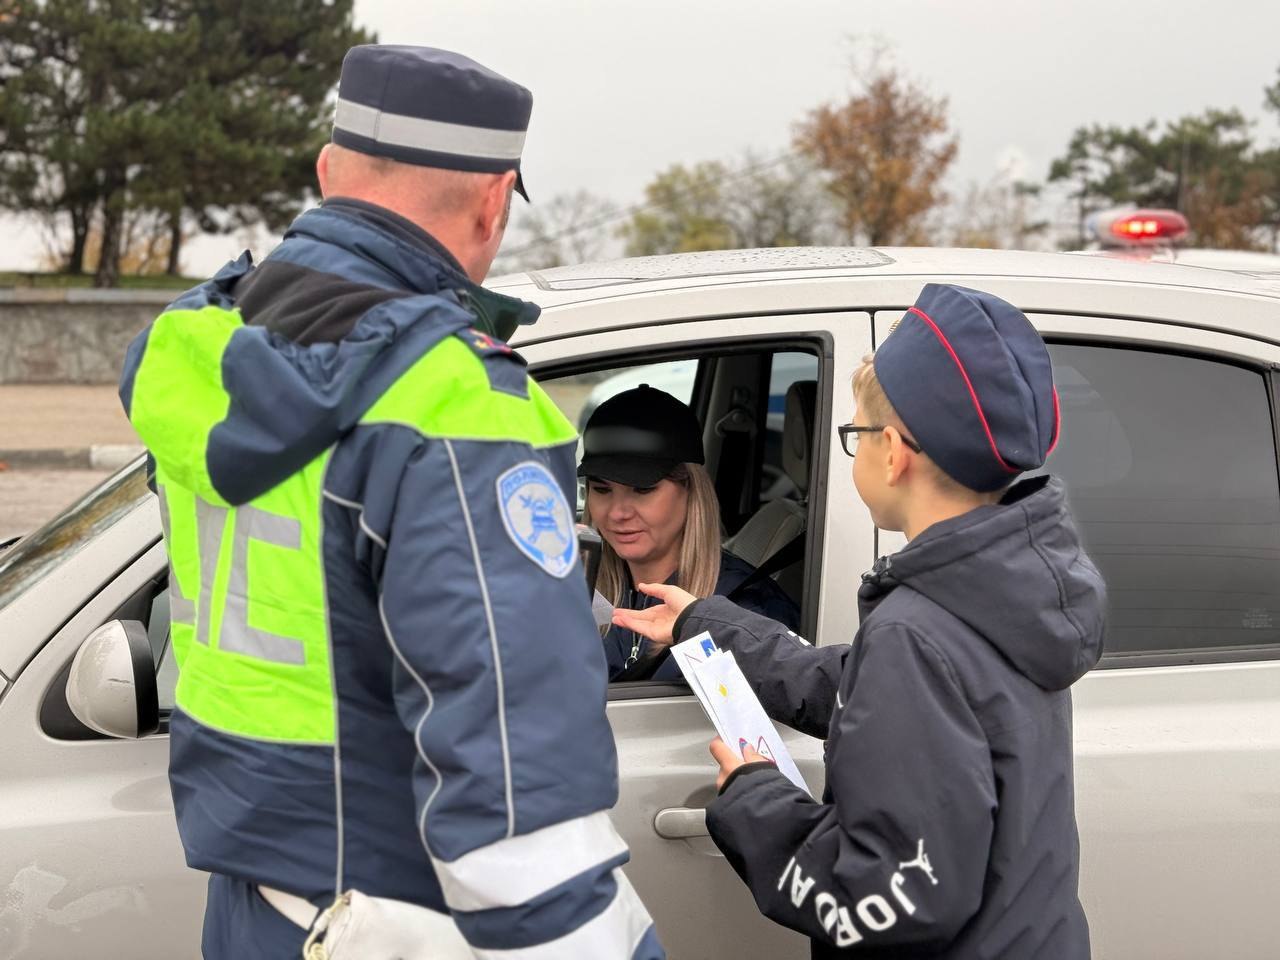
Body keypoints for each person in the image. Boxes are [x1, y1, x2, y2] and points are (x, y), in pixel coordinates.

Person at [120, 44, 662, 959]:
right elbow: (514, 782)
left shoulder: (207, 350)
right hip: (399, 919)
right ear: (495, 200)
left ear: (329, 171)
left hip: (256, 908)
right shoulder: (453, 406)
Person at [614, 283, 1106, 958]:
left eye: (856, 434)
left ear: (894, 452)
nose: (855, 449)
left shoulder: (918, 630)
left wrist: (752, 800)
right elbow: (855, 684)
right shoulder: (1002, 596)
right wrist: (706, 621)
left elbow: (891, 897)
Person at [578, 384, 800, 682]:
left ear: (691, 491)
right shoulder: (586, 594)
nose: (618, 512)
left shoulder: (748, 614)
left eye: (643, 489)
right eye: (601, 489)